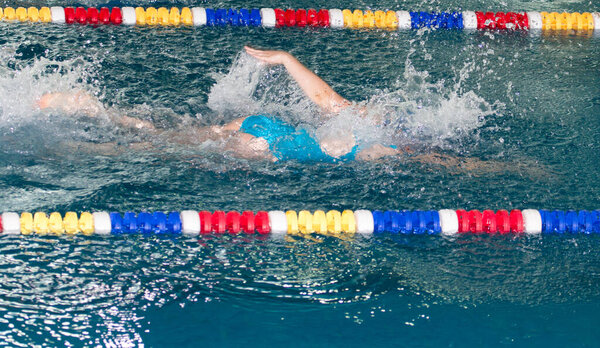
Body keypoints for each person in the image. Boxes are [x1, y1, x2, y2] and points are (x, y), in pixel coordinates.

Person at [37, 46, 400, 162]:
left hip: (265, 126)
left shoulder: (366, 117)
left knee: (168, 134)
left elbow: (323, 99)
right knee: (158, 149)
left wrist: (286, 58)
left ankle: (98, 112)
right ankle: (82, 148)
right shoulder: (381, 149)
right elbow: (439, 161)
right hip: (266, 146)